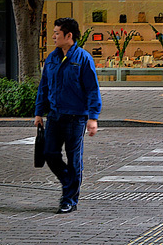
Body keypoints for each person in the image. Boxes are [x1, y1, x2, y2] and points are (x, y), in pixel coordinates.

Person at [34, 17, 102, 214]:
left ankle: (69, 199)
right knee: (49, 153)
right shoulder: (52, 58)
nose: (53, 36)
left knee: (74, 159)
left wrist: (93, 117)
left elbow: (92, 89)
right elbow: (43, 87)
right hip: (54, 116)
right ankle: (69, 183)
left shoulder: (83, 59)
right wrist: (39, 112)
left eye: (57, 33)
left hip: (76, 118)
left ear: (68, 35)